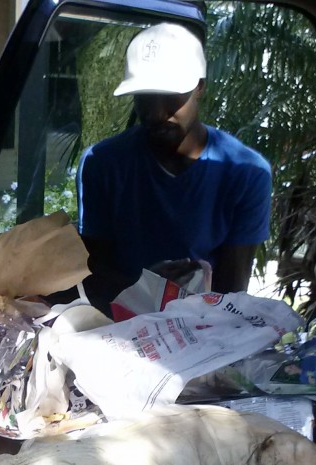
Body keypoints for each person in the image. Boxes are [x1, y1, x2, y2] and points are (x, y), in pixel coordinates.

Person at [76, 22, 272, 310]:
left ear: (200, 87)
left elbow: (231, 295)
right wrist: (146, 287)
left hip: (202, 325)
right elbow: (92, 273)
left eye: (171, 95)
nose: (156, 112)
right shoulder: (102, 163)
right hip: (117, 321)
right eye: (145, 96)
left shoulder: (246, 173)